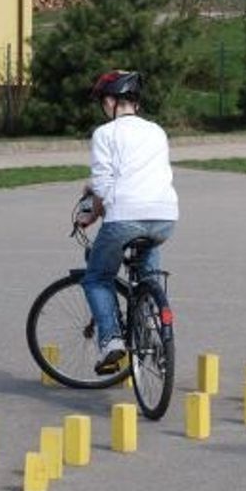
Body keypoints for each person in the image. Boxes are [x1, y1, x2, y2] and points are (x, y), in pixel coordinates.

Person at [77, 70, 179, 374]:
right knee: (147, 270)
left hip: (125, 217)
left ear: (111, 101)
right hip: (164, 216)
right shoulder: (157, 131)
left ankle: (111, 341)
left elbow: (105, 184)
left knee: (96, 276)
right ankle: (152, 318)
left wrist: (91, 212)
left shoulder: (104, 134)